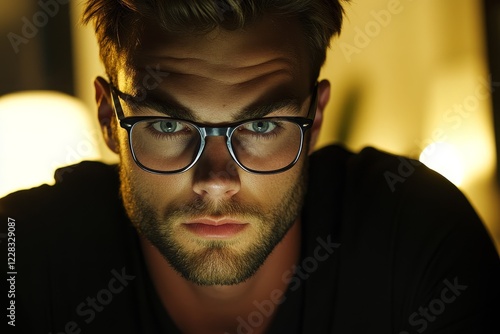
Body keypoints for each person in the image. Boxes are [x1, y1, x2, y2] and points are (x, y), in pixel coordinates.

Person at [1, 0, 499, 333]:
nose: (216, 182)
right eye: (170, 127)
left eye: (261, 128)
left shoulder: (419, 238)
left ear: (315, 117)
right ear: (110, 118)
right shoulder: (20, 252)